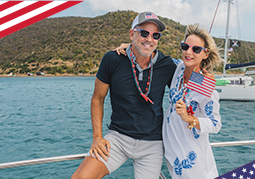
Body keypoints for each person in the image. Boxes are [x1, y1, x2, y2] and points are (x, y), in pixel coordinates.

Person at [71, 11, 177, 179]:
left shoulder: (167, 65)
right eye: (144, 33)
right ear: (131, 34)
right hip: (118, 138)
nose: (149, 39)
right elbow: (97, 99)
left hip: (152, 143)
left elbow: (189, 75)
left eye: (155, 35)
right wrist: (97, 137)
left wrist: (205, 72)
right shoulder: (112, 59)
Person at [162, 24, 222, 179]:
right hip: (171, 152)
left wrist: (190, 119)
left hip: (191, 158)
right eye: (185, 46)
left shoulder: (204, 85)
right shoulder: (178, 68)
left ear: (205, 54)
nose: (188, 52)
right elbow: (151, 55)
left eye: (196, 49)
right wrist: (130, 47)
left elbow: (215, 123)